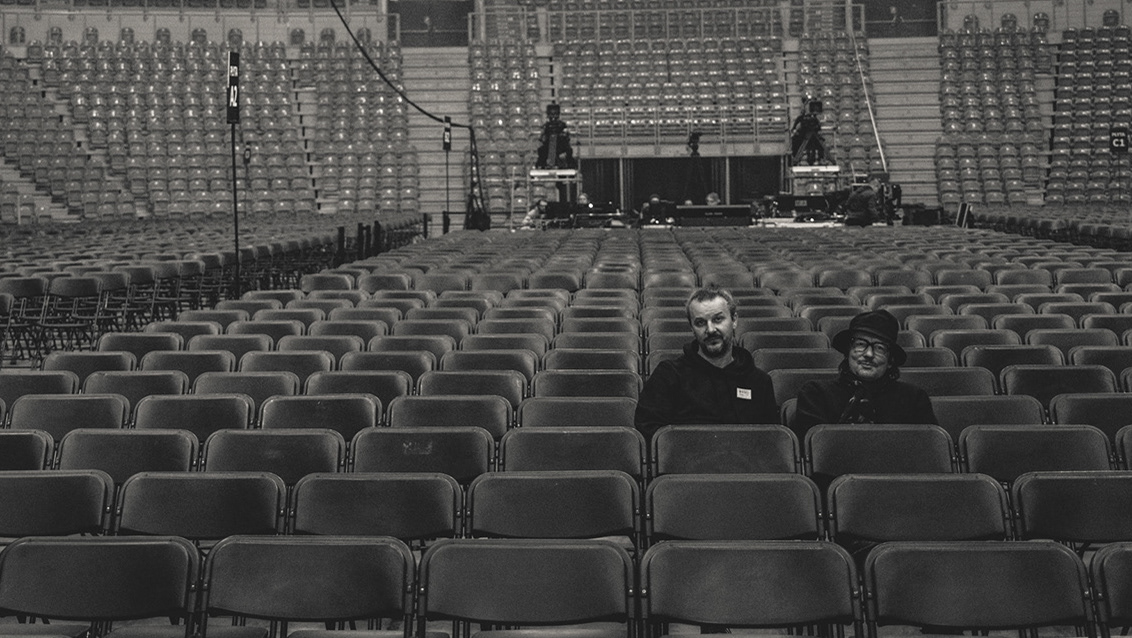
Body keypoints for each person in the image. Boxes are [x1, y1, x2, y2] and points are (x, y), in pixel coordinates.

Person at [635, 286, 779, 443]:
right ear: (692, 328)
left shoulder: (759, 382)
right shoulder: (669, 375)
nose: (710, 330)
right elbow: (653, 434)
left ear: (734, 320)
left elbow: (771, 442)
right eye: (700, 323)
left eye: (718, 319)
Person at [794, 309, 936, 436]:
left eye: (880, 348)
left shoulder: (914, 399)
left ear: (890, 360)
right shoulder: (816, 394)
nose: (869, 354)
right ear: (848, 352)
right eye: (860, 344)